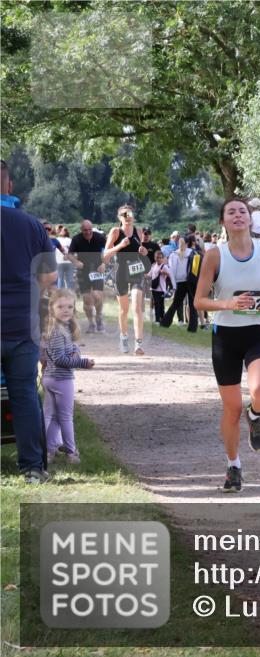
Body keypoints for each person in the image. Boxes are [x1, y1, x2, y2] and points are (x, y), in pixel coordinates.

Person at [193, 199, 260, 492]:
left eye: (243, 212)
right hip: (225, 336)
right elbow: (199, 300)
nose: (238, 216)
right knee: (231, 409)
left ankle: (256, 414)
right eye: (231, 212)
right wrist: (228, 303)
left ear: (251, 220)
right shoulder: (214, 255)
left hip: (256, 333)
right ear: (222, 222)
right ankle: (233, 465)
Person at [1, 159, 57, 482]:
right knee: (24, 395)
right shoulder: (32, 224)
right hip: (22, 324)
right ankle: (33, 467)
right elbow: (50, 274)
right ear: (9, 186)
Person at [41, 289, 95, 465]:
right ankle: (71, 453)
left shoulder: (63, 329)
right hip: (60, 379)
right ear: (52, 309)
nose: (66, 310)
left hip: (51, 378)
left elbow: (63, 353)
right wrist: (83, 362)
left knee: (55, 417)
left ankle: (49, 450)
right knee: (65, 417)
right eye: (60, 307)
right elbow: (60, 359)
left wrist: (74, 352)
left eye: (70, 307)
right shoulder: (57, 331)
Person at [103, 204, 150, 355]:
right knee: (124, 309)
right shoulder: (115, 232)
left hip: (136, 270)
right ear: (119, 218)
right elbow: (105, 255)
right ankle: (123, 337)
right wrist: (119, 246)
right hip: (120, 271)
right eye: (124, 214)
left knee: (137, 306)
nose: (127, 216)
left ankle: (139, 343)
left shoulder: (139, 231)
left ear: (133, 216)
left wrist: (143, 251)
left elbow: (141, 250)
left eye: (129, 213)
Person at [68, 220, 107, 333]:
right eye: (85, 230)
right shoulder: (77, 239)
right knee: (87, 300)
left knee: (97, 295)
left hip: (97, 270)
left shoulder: (100, 238)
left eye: (90, 230)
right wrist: (76, 262)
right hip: (83, 271)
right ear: (81, 230)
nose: (88, 232)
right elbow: (69, 255)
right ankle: (91, 323)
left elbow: (108, 252)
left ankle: (99, 316)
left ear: (92, 228)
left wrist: (104, 264)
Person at [159, 236, 197, 332]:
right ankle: (192, 328)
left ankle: (165, 323)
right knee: (189, 304)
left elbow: (172, 271)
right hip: (189, 281)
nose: (180, 244)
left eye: (181, 243)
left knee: (177, 303)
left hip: (183, 282)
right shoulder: (191, 253)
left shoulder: (175, 254)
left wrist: (174, 285)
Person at [147, 251, 173, 324]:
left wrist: (164, 273)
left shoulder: (164, 266)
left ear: (163, 258)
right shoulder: (153, 266)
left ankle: (162, 319)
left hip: (161, 289)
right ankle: (157, 320)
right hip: (154, 288)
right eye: (157, 258)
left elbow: (170, 275)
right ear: (155, 258)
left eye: (160, 258)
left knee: (161, 305)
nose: (159, 259)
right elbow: (149, 275)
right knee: (156, 304)